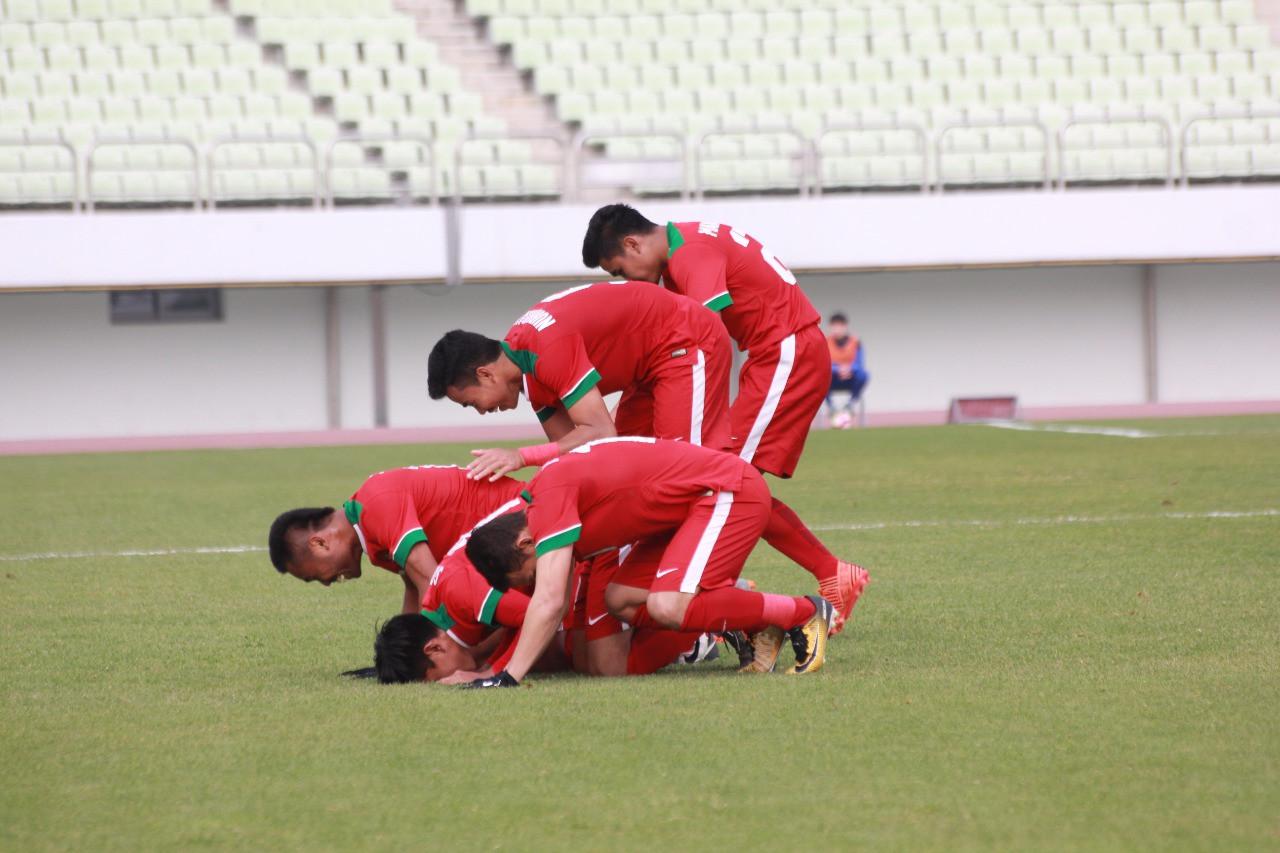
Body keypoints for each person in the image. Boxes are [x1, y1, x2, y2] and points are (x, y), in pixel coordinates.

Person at [580, 204, 868, 633]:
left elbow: (700, 338)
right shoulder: (686, 246)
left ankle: (820, 573)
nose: (627, 280)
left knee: (727, 481)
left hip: (784, 353)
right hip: (775, 353)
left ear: (632, 243)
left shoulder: (689, 255)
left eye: (620, 270)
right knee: (728, 481)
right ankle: (800, 575)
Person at [460, 437, 834, 689]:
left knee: (667, 604)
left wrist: (506, 677)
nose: (538, 578)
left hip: (723, 491)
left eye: (531, 572)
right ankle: (749, 619)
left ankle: (802, 612)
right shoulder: (546, 494)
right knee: (620, 599)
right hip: (692, 507)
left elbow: (550, 600)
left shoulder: (548, 501)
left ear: (526, 542)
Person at [426, 281, 732, 480]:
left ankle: (707, 578)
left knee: (683, 473)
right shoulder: (527, 372)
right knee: (626, 473)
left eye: (470, 403)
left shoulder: (545, 351)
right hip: (650, 367)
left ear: (485, 373)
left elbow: (599, 432)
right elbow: (577, 457)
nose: (480, 411)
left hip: (685, 338)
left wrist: (520, 456)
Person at [267, 465, 524, 613]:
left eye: (311, 577)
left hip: (527, 522)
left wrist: (425, 654)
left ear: (320, 543)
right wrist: (401, 650)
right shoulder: (370, 535)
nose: (324, 583)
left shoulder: (375, 504)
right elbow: (415, 587)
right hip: (508, 546)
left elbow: (432, 583)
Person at [825, 312, 869, 429]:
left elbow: (860, 364)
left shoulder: (856, 342)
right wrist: (837, 369)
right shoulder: (825, 342)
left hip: (850, 378)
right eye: (835, 326)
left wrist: (850, 369)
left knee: (863, 375)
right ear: (830, 327)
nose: (838, 329)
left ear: (845, 326)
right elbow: (823, 364)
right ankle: (832, 408)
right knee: (819, 377)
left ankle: (850, 405)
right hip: (832, 379)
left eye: (840, 325)